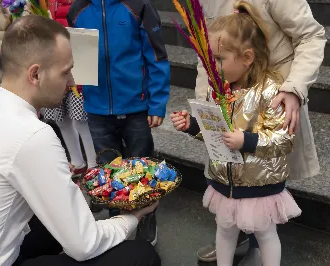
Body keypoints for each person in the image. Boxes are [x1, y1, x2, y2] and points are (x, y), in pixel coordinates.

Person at [0, 15, 160, 266]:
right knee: (141, 256)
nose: (72, 81)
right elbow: (85, 244)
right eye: (66, 71)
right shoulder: (32, 134)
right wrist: (133, 217)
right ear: (36, 74)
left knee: (52, 225)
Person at [193, 0, 326, 264]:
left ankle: (255, 243)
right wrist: (205, 109)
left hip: (271, 97)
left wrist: (293, 87)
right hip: (228, 90)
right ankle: (237, 233)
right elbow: (206, 50)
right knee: (225, 186)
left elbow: (309, 35)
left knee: (261, 194)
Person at [171, 2, 302, 265]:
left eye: (219, 60)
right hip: (225, 181)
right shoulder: (217, 89)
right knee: (225, 229)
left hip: (259, 183)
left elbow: (283, 140)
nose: (213, 67)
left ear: (247, 58)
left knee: (265, 233)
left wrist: (247, 140)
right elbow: (215, 132)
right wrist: (193, 126)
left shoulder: (270, 92)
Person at [67, 0, 170, 245]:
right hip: (97, 108)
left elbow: (156, 55)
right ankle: (117, 220)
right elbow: (77, 57)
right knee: (109, 169)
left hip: (136, 105)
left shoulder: (138, 6)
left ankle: (146, 217)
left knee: (141, 168)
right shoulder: (77, 10)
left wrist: (156, 103)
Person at [44, 0, 97, 176]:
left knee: (80, 119)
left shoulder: (79, 4)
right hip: (53, 65)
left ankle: (92, 164)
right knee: (60, 118)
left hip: (75, 65)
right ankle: (77, 161)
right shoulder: (49, 3)